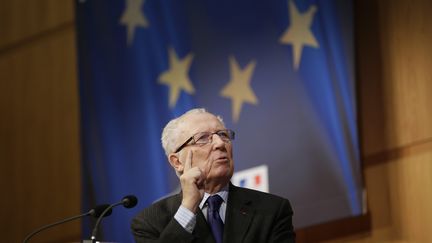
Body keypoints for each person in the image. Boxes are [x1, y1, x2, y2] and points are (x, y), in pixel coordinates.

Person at [131, 108, 295, 243]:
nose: (220, 144)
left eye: (223, 135)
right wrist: (188, 208)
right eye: (203, 138)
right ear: (177, 162)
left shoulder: (272, 210)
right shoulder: (149, 222)